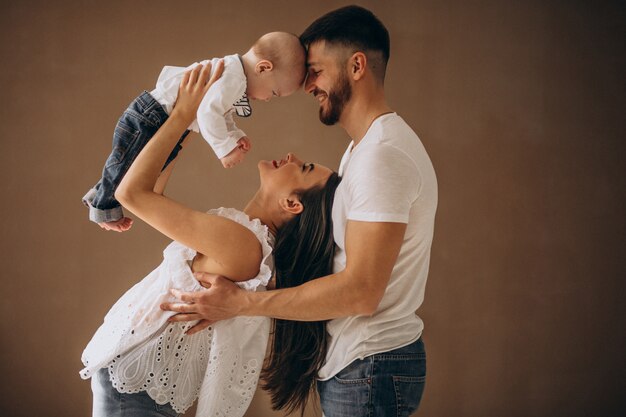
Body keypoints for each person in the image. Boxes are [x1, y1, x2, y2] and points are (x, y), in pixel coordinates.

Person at [162, 5, 438, 417]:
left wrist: (242, 303)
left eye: (317, 70)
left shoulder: (382, 156)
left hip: (370, 366)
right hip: (363, 367)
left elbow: (361, 292)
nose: (308, 84)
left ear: (357, 65)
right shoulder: (364, 151)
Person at [80, 61, 339, 417]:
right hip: (135, 385)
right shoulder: (246, 240)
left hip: (135, 390)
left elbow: (133, 194)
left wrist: (182, 112)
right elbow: (151, 191)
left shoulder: (244, 245)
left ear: (292, 204)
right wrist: (187, 123)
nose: (294, 157)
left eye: (305, 168)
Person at [82, 31, 306, 232]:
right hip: (150, 116)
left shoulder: (234, 76)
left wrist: (235, 135)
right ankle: (103, 207)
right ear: (264, 68)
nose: (267, 99)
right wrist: (225, 149)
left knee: (139, 165)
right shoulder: (234, 79)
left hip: (161, 118)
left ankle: (99, 193)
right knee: (126, 162)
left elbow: (220, 114)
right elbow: (207, 115)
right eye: (274, 93)